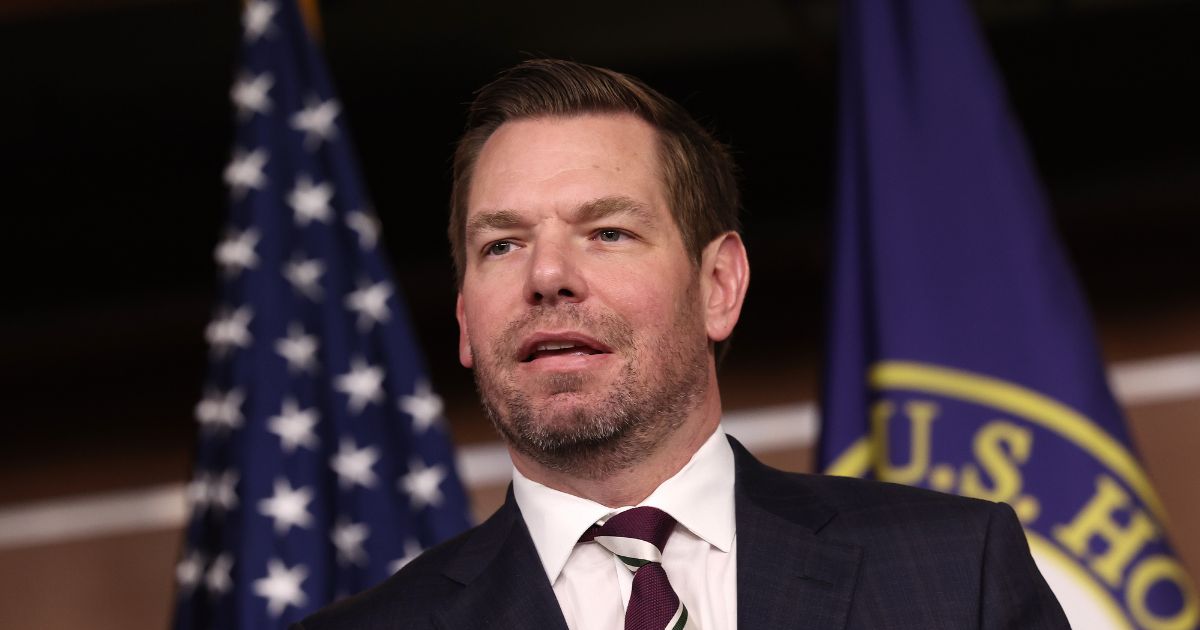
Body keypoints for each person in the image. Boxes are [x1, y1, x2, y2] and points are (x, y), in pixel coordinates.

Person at [297, 59, 1069, 630]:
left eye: (607, 232)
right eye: (502, 244)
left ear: (719, 286)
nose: (549, 276)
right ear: (466, 318)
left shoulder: (952, 572)